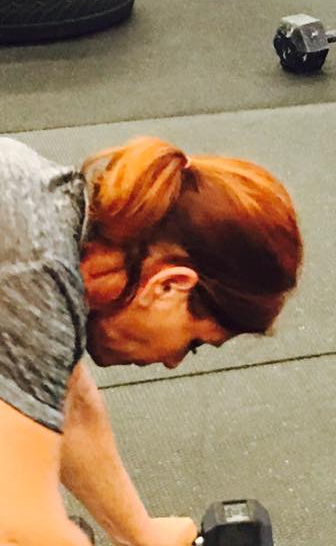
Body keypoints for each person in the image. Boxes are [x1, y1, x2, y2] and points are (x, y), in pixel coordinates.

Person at [0, 136, 303, 546]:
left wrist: (142, 534)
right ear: (168, 286)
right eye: (193, 342)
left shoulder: (52, 216)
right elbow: (20, 528)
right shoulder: (35, 275)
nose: (174, 362)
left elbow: (72, 406)